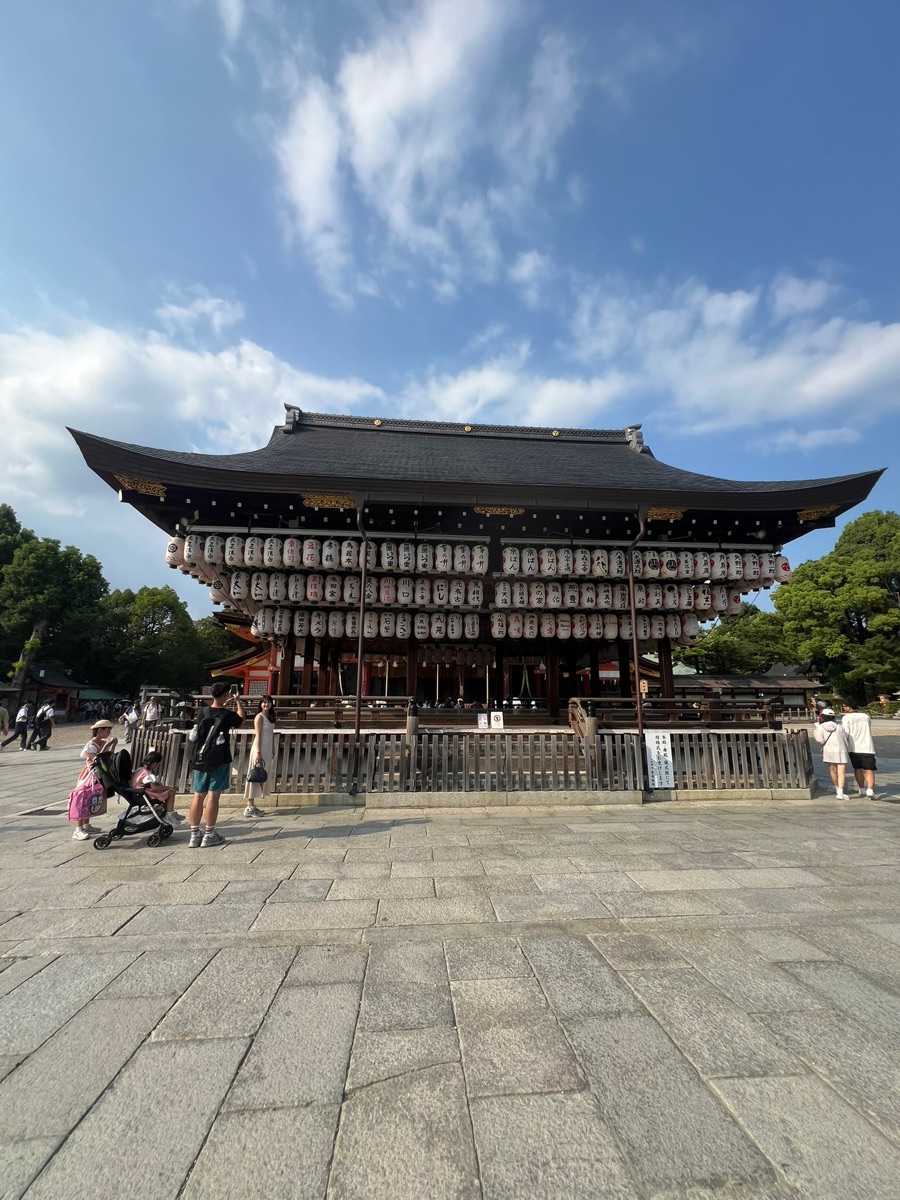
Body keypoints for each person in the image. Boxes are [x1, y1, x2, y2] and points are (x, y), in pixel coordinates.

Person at [188, 682, 244, 848]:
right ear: (227, 694)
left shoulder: (202, 712)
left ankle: (194, 834)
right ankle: (209, 834)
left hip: (200, 758)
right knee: (213, 794)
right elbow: (241, 719)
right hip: (219, 759)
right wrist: (238, 702)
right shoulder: (227, 715)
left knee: (198, 794)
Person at [68, 717, 116, 839]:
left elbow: (108, 757)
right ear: (100, 731)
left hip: (99, 774)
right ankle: (78, 828)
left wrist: (112, 746)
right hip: (90, 774)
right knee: (83, 797)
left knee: (91, 798)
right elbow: (96, 759)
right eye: (107, 730)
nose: (109, 733)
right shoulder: (91, 745)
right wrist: (107, 746)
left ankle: (86, 824)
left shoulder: (102, 743)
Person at [243, 695, 275, 818]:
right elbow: (258, 735)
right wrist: (258, 752)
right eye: (264, 703)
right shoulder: (259, 717)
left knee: (262, 775)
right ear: (260, 704)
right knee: (255, 774)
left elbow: (271, 733)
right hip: (259, 747)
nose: (266, 705)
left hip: (267, 746)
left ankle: (253, 805)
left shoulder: (270, 717)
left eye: (268, 702)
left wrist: (272, 747)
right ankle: (249, 805)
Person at [131, 751, 182, 825]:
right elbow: (154, 787)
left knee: (166, 791)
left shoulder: (140, 769)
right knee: (171, 791)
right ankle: (169, 814)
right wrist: (168, 787)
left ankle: (170, 812)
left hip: (138, 793)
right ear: (154, 763)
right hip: (143, 794)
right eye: (158, 763)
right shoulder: (146, 773)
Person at [840, 700, 877, 799]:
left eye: (844, 706)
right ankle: (870, 790)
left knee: (857, 768)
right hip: (868, 746)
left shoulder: (846, 718)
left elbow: (846, 733)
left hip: (854, 747)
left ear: (849, 707)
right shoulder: (866, 717)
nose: (843, 708)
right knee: (869, 769)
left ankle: (862, 788)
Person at [812, 708, 850, 800]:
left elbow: (820, 740)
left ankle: (837, 788)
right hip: (841, 750)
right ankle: (840, 792)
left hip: (829, 750)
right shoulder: (839, 726)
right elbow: (845, 736)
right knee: (841, 772)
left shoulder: (820, 727)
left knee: (832, 770)